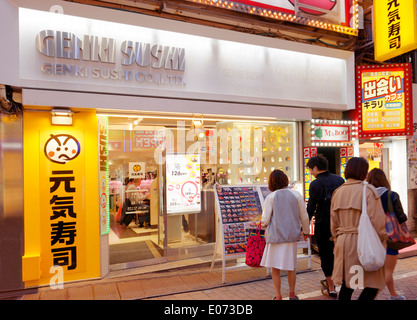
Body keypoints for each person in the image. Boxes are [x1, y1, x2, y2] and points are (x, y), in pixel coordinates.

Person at [330, 157, 387, 300]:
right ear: (364, 172)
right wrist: (382, 242)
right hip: (363, 241)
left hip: (343, 243)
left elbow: (333, 224)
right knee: (374, 281)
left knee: (348, 283)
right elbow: (378, 222)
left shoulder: (338, 192)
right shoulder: (368, 191)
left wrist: (337, 239)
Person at [260, 169, 310, 300]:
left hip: (275, 237)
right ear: (285, 180)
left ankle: (278, 296)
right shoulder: (296, 195)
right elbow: (304, 216)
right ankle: (292, 294)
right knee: (291, 267)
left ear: (271, 183)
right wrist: (306, 232)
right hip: (290, 237)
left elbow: (265, 219)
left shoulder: (271, 197)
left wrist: (263, 225)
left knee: (275, 268)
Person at [306, 155, 344, 297]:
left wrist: (304, 227)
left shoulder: (315, 184)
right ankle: (337, 280)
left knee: (326, 255)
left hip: (323, 224)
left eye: (310, 169)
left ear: (315, 168)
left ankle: (332, 287)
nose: (310, 172)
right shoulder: (339, 180)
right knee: (338, 253)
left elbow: (310, 207)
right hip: (340, 223)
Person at [367, 168, 407, 300]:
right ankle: (369, 298)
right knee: (388, 270)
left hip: (372, 237)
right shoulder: (392, 195)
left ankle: (393, 295)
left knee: (385, 270)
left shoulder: (366, 196)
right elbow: (401, 217)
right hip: (390, 237)